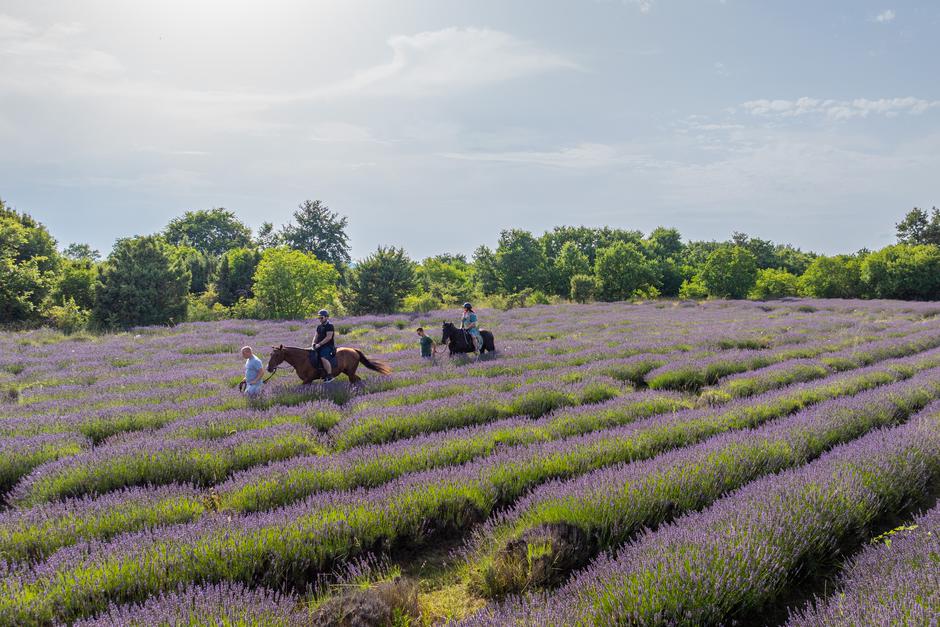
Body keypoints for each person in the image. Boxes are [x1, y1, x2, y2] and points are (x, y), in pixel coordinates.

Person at [312, 309, 336, 382]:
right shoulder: (319, 326)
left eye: (321, 317)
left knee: (323, 357)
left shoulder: (330, 326)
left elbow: (328, 337)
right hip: (319, 345)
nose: (320, 319)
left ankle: (329, 375)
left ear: (326, 317)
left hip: (328, 346)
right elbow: (316, 336)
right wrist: (313, 343)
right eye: (319, 318)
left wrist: (319, 344)